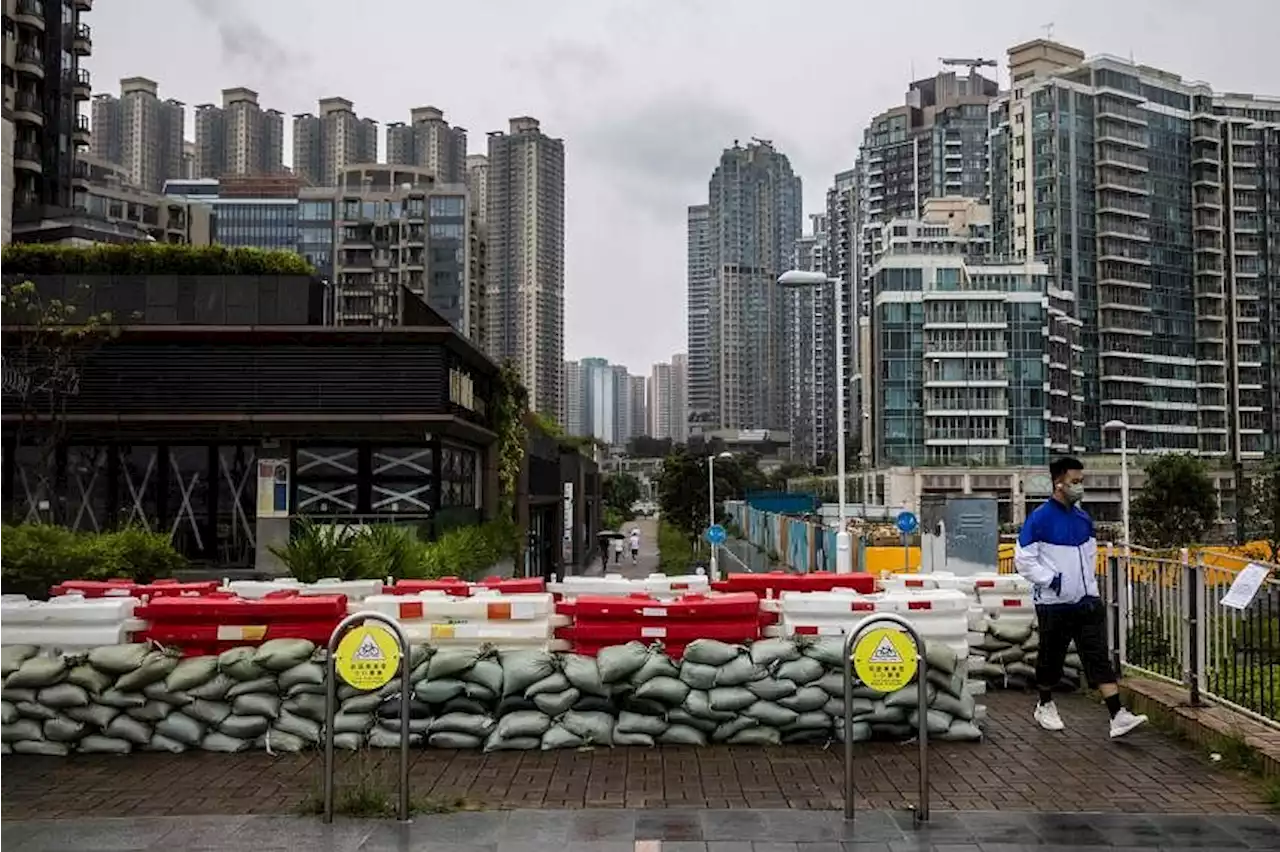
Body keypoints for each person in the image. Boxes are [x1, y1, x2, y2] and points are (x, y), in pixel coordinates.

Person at [1015, 456, 1148, 739]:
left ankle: (1117, 715)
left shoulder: (1083, 519)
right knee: (1052, 656)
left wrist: (1091, 590)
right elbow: (1024, 561)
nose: (1079, 487)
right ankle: (1045, 704)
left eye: (1081, 481)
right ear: (1058, 482)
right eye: (1074, 482)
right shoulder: (1039, 519)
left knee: (1098, 656)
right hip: (1054, 602)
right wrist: (1053, 581)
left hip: (1086, 601)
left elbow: (1089, 558)